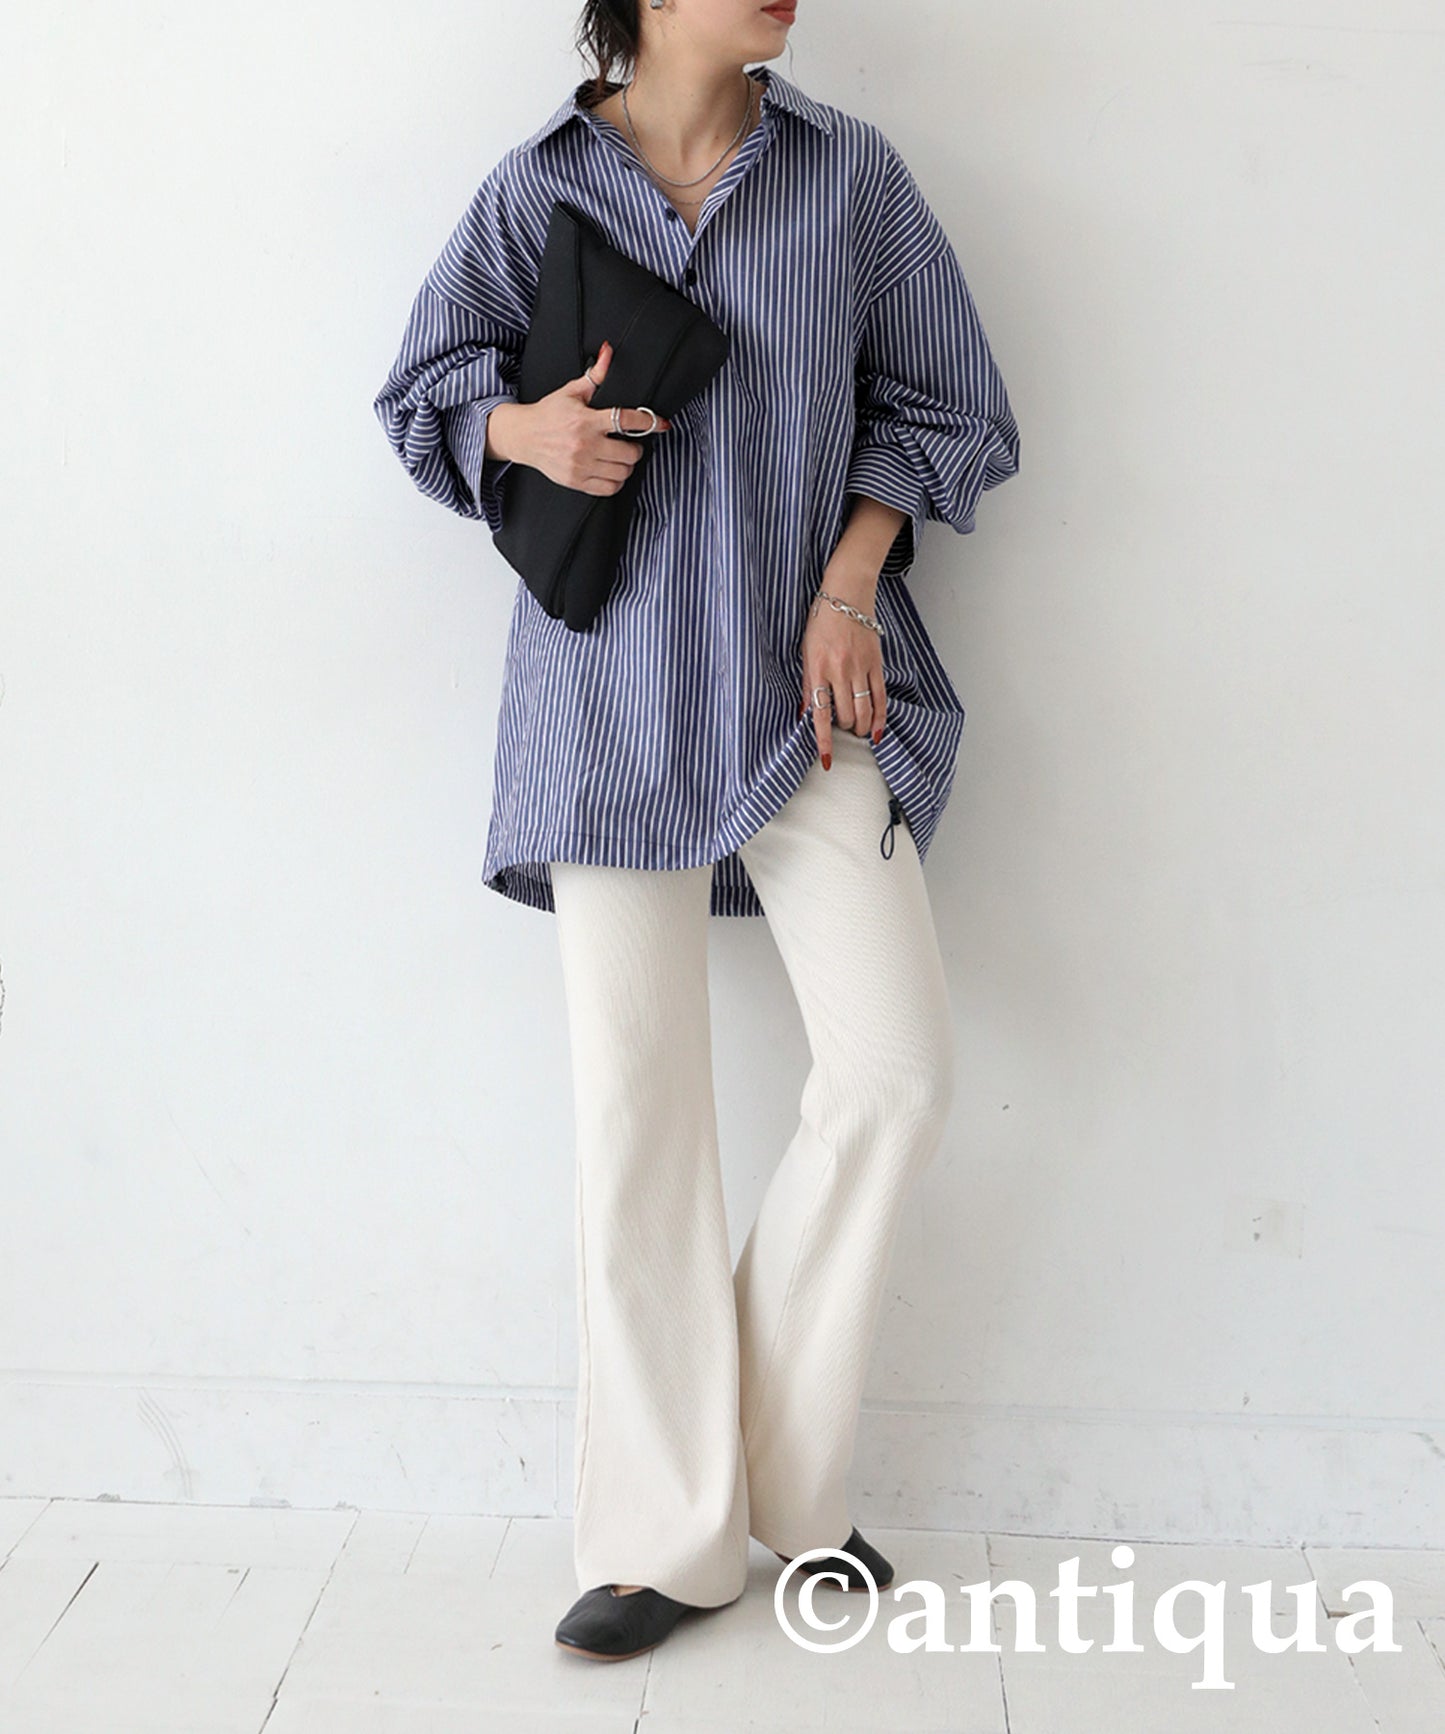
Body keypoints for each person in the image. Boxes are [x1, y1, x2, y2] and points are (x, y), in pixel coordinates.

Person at [373, 0, 1020, 1663]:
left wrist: (851, 581)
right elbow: (421, 390)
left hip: (808, 689)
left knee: (895, 1074)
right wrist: (520, 428)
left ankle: (775, 1477)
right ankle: (664, 1536)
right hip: (602, 694)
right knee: (638, 1117)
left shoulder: (847, 178)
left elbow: (946, 403)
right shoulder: (537, 187)